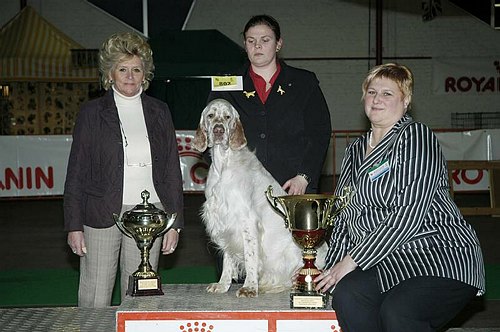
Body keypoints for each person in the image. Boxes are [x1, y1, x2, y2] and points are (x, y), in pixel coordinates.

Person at [314, 63, 485, 331]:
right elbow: (344, 217)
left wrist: (352, 260)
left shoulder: (415, 136)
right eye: (372, 92)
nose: (377, 99)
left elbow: (408, 213)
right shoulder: (355, 150)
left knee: (399, 313)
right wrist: (327, 269)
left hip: (437, 254)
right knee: (347, 294)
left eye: (387, 94)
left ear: (405, 101)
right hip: (389, 260)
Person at [63, 32, 184, 308]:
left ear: (145, 74)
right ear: (109, 74)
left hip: (150, 216)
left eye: (136, 69)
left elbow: (170, 170)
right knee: (95, 296)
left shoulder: (160, 111)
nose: (130, 76)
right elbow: (76, 172)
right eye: (122, 69)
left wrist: (174, 223)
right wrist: (73, 225)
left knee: (142, 297)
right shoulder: (91, 113)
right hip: (100, 213)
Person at [208, 14, 331, 195]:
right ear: (245, 45)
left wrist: (304, 176)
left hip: (293, 186)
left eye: (265, 40)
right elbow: (208, 132)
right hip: (240, 188)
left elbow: (319, 133)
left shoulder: (304, 82)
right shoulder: (224, 85)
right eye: (251, 41)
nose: (257, 46)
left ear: (278, 44)